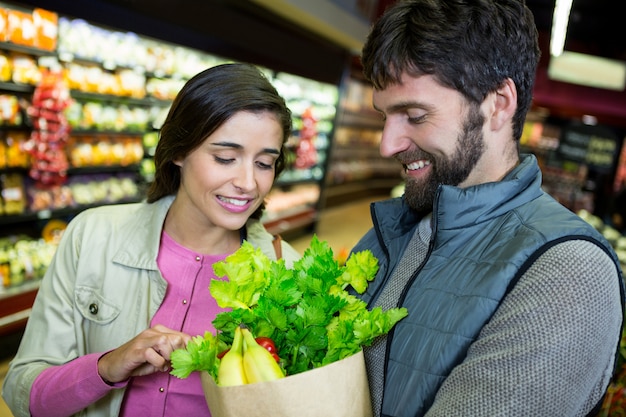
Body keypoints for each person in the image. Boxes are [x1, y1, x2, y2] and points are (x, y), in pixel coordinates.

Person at [350, 1, 625, 416]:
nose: (388, 144)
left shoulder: (567, 270)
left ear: (498, 103)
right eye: (386, 116)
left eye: (415, 115)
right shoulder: (395, 228)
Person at [2, 62, 300, 417]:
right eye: (225, 158)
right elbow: (23, 393)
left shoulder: (287, 273)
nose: (248, 183)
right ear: (178, 151)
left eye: (265, 164)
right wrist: (108, 367)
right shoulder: (92, 236)